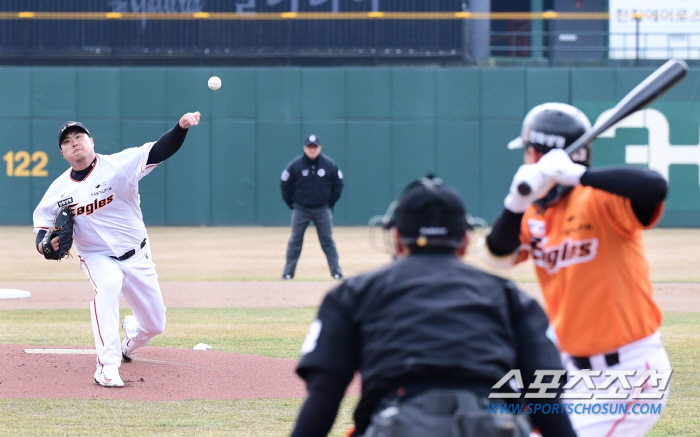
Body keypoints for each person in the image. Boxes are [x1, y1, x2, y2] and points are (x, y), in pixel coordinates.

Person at [290, 176, 577, 437]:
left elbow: (324, 396)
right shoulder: (509, 296)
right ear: (465, 240)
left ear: (396, 238)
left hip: (396, 423)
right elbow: (545, 396)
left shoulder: (354, 294)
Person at [481, 102, 672, 436]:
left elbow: (655, 186)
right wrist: (515, 202)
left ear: (538, 152)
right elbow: (497, 256)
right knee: (493, 417)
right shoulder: (537, 212)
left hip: (627, 374)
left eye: (528, 152)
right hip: (566, 367)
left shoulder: (600, 198)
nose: (525, 159)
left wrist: (579, 176)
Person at [33, 112, 201, 387]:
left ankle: (130, 338)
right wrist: (44, 245)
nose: (74, 142)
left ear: (91, 142)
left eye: (79, 136)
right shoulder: (58, 190)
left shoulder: (118, 165)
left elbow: (160, 150)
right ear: (62, 153)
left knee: (155, 324)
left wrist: (180, 128)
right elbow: (41, 229)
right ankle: (107, 366)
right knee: (108, 287)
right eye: (67, 141)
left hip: (137, 254)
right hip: (96, 256)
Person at [280, 134, 344, 280]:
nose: (312, 150)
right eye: (310, 147)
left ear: (320, 148)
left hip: (322, 209)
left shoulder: (329, 164)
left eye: (315, 147)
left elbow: (338, 184)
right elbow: (284, 184)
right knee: (295, 240)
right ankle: (288, 274)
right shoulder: (295, 165)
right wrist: (292, 204)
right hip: (301, 209)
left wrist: (330, 203)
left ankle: (337, 273)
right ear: (305, 148)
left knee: (327, 240)